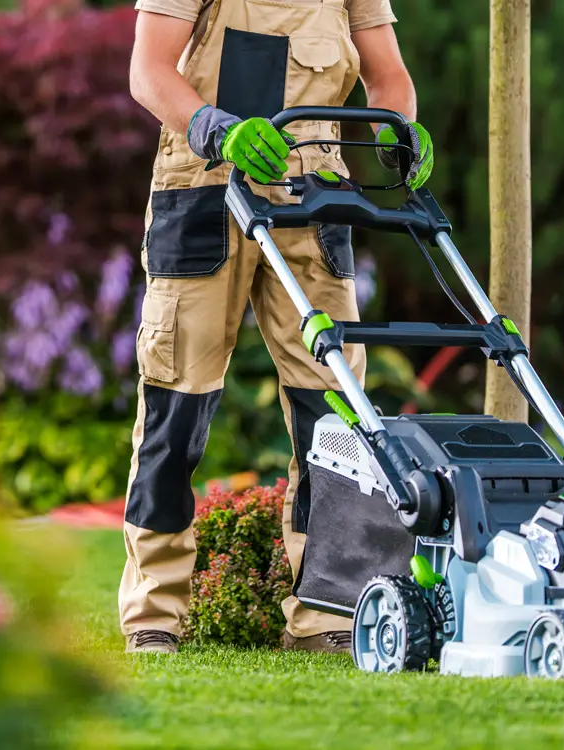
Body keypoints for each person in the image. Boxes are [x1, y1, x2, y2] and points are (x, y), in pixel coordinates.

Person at [120, 0, 434, 654]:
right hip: (203, 191)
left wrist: (398, 127)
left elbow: (387, 76)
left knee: (335, 411)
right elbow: (149, 71)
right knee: (178, 400)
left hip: (315, 201)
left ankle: (327, 615)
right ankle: (155, 612)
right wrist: (218, 128)